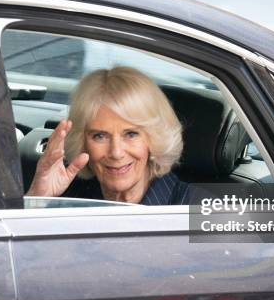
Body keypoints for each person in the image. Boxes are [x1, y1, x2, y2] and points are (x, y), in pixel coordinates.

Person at [26, 67, 189, 205]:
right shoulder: (71, 200)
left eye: (131, 134)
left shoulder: (202, 207)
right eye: (99, 136)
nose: (116, 153)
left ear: (154, 138)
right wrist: (38, 198)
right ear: (83, 143)